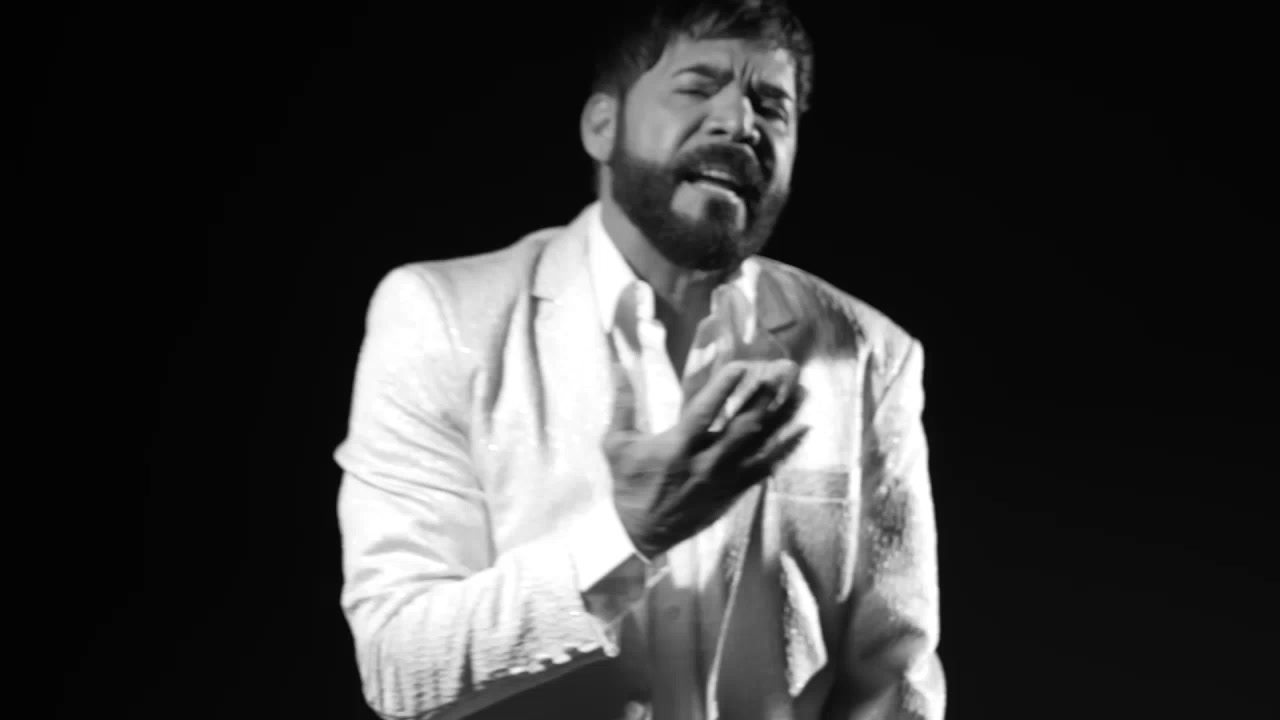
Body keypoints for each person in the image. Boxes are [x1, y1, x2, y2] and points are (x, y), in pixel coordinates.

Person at [334, 1, 945, 718]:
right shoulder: (441, 318)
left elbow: (893, 679)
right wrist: (626, 537)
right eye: (698, 86)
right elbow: (400, 665)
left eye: (771, 106)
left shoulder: (867, 354)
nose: (739, 122)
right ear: (602, 124)